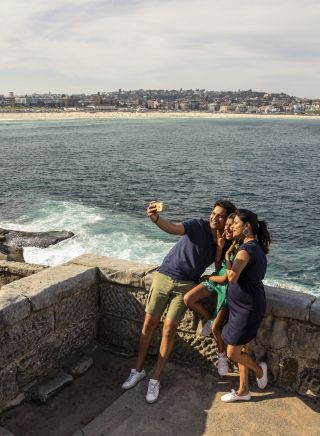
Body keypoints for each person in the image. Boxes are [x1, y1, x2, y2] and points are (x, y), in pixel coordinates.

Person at [122, 199, 236, 403]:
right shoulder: (198, 225)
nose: (214, 217)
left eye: (220, 215)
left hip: (185, 286)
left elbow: (218, 266)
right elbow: (174, 229)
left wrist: (220, 247)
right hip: (164, 276)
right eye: (213, 212)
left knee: (168, 330)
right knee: (148, 325)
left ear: (227, 220)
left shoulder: (224, 241)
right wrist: (156, 219)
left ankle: (155, 378)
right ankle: (137, 370)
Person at [220, 209, 271, 402]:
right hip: (242, 306)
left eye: (236, 224)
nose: (232, 226)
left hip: (247, 309)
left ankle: (259, 370)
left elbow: (232, 277)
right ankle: (244, 391)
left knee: (232, 352)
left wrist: (227, 257)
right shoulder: (255, 246)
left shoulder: (245, 250)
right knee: (242, 349)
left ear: (247, 227)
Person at [183, 213, 237, 376]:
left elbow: (225, 278)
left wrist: (207, 277)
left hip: (226, 288)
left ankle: (222, 357)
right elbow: (218, 265)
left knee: (215, 329)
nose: (226, 229)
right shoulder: (227, 242)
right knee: (188, 298)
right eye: (225, 226)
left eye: (230, 226)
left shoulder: (239, 248)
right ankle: (210, 318)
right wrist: (220, 247)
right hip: (216, 282)